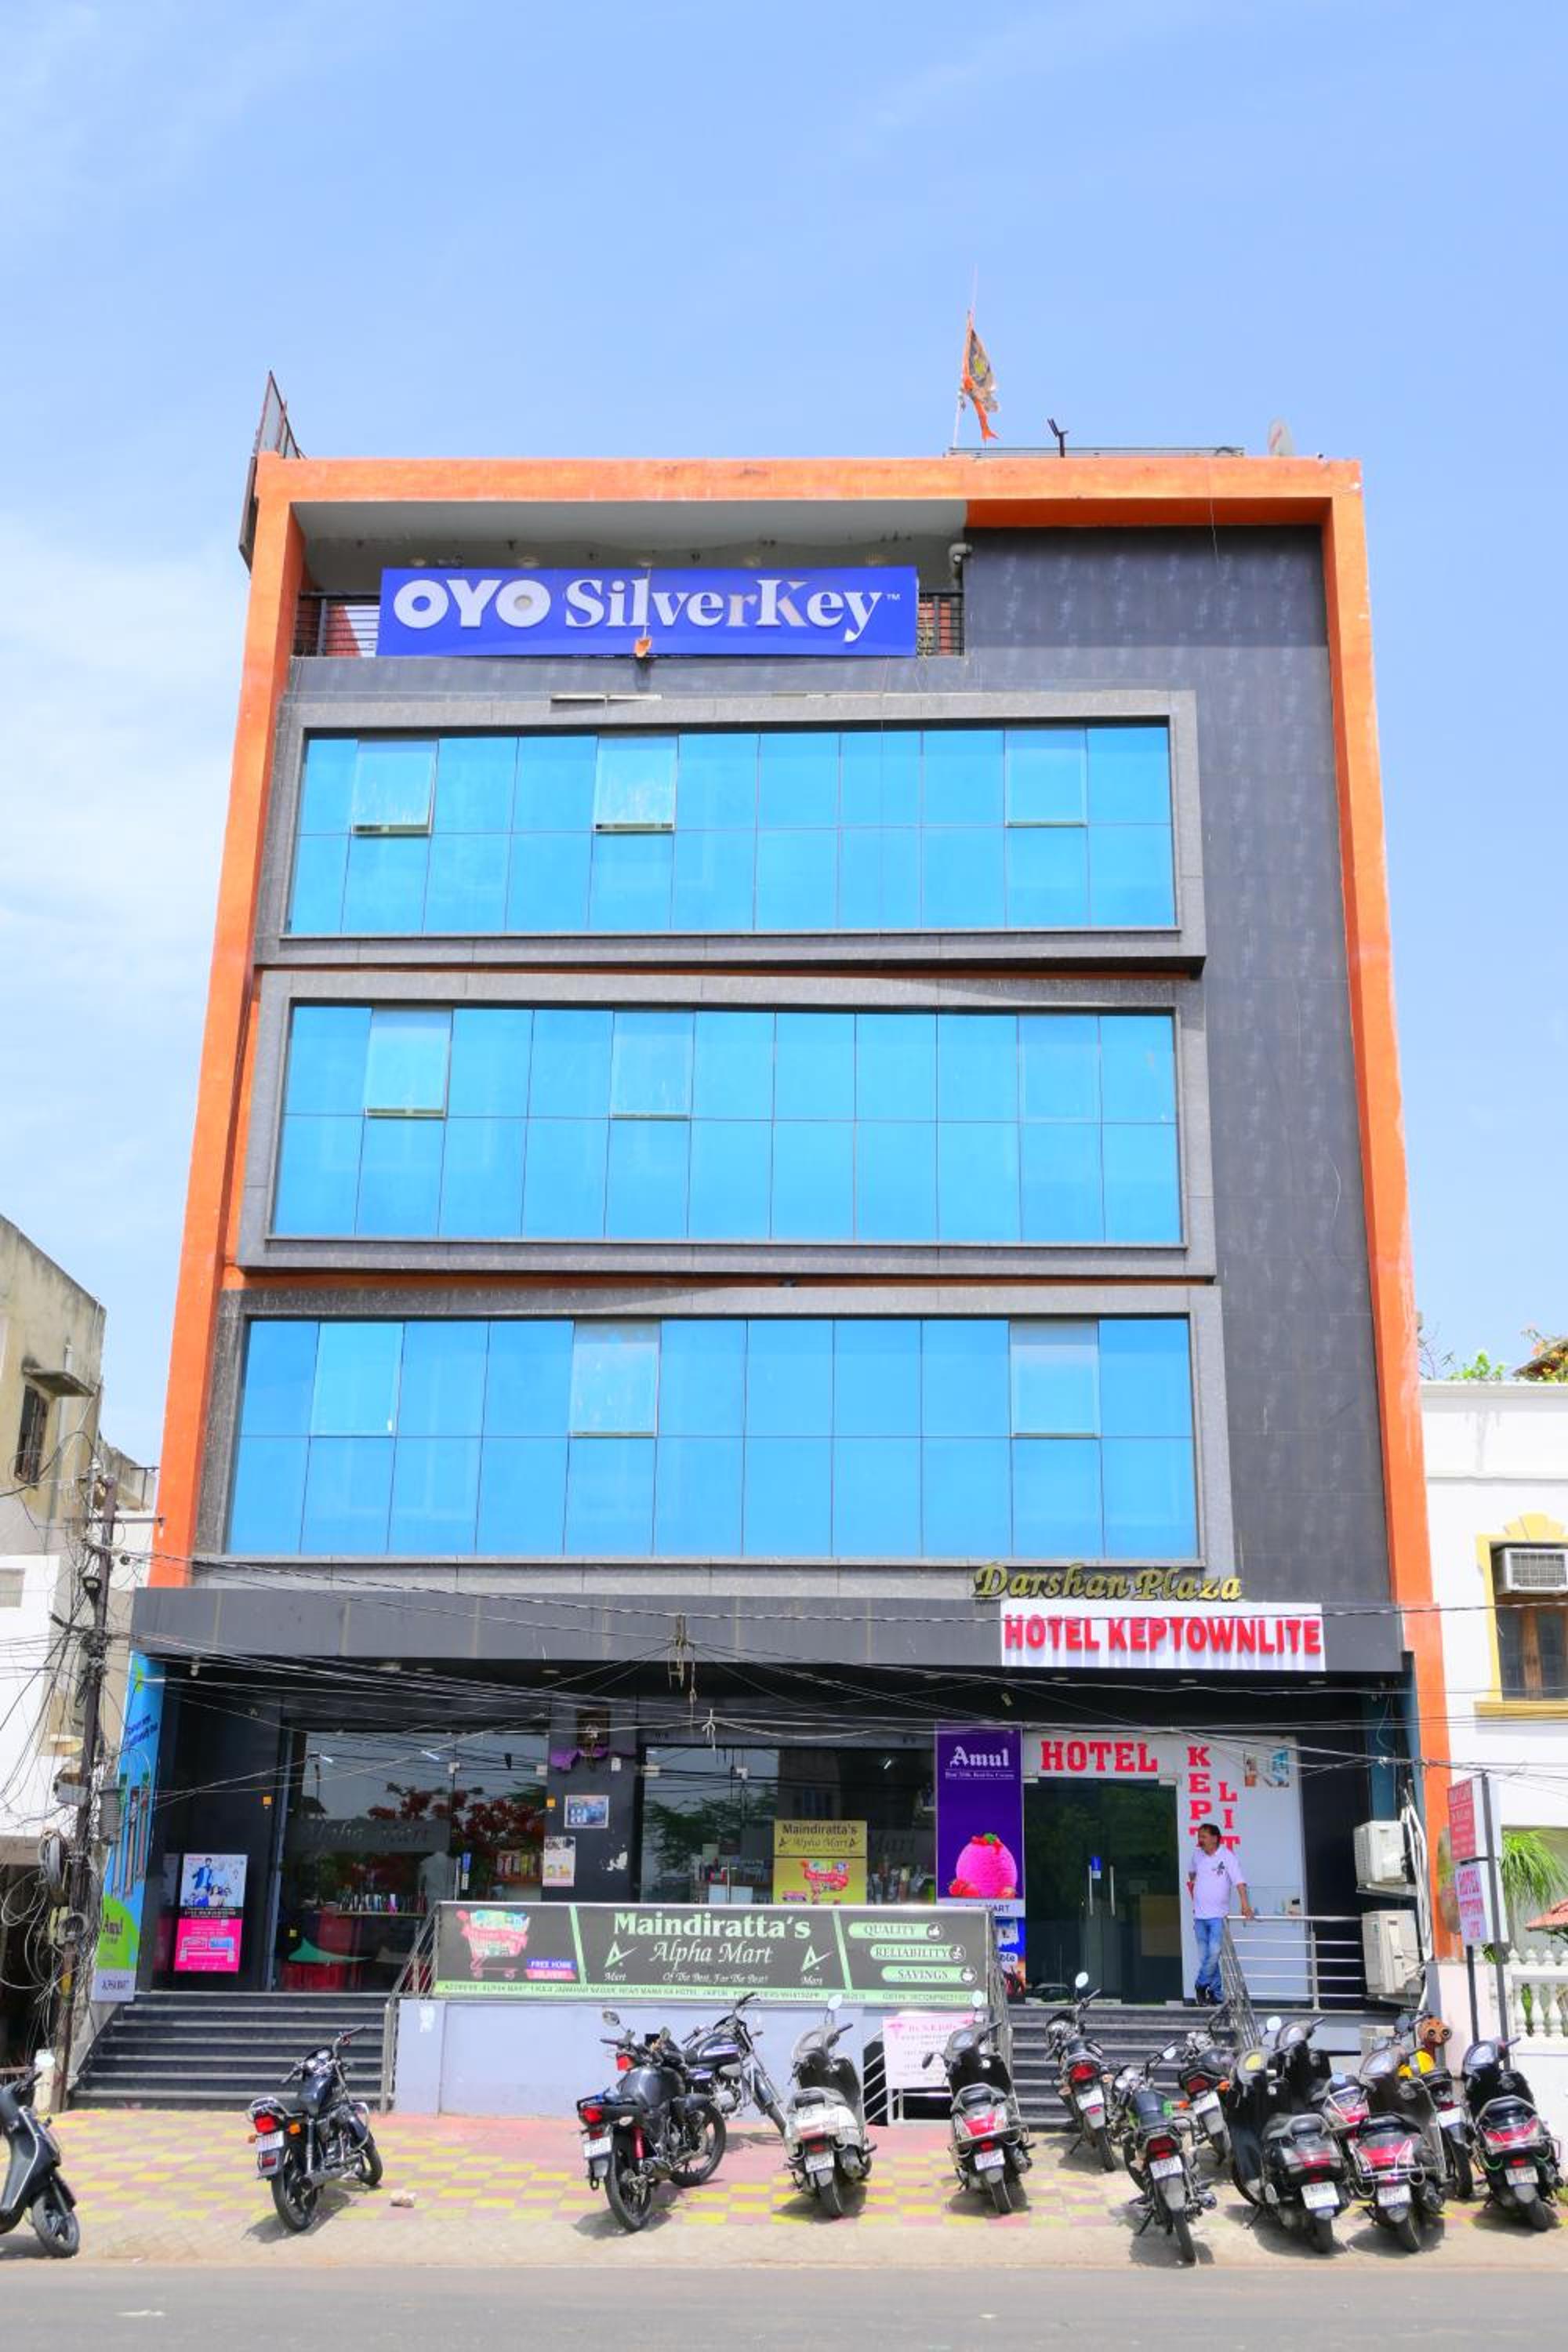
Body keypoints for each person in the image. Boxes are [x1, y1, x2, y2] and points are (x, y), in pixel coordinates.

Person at [1186, 1820, 1253, 2005]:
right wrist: (1196, 1888)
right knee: (1205, 1957)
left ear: (1215, 1838)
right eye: (1199, 1836)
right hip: (1200, 1916)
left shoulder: (1227, 1856)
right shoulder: (1197, 1855)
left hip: (1218, 1916)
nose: (1200, 1840)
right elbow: (1191, 1874)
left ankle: (1200, 1985)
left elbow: (1239, 1882)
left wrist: (1245, 1905)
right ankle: (1215, 1993)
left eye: (1204, 1836)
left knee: (1214, 1953)